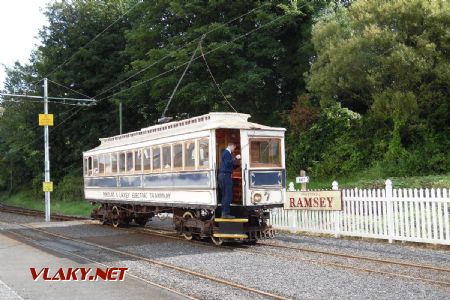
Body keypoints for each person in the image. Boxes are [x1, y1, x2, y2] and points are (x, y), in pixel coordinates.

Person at [218, 142, 241, 218]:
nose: (234, 149)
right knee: (228, 195)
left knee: (225, 195)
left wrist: (236, 166)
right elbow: (228, 163)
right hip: (225, 176)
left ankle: (224, 213)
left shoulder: (226, 153)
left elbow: (228, 165)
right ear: (231, 146)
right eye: (234, 148)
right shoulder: (226, 153)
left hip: (223, 175)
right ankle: (225, 214)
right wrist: (236, 158)